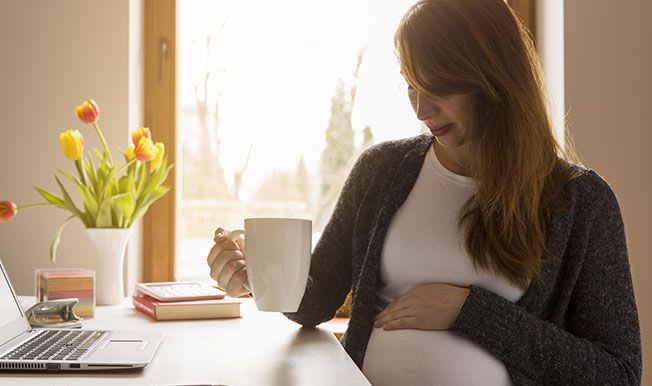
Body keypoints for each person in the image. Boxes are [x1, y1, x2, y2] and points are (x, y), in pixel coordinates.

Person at [205, 0, 642, 384]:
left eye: (440, 87)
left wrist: (469, 312)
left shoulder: (581, 202)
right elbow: (316, 299)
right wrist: (257, 276)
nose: (420, 108)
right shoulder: (381, 171)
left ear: (496, 78)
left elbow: (617, 373)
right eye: (412, 85)